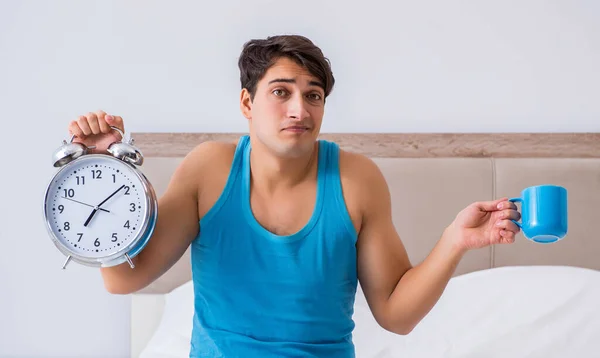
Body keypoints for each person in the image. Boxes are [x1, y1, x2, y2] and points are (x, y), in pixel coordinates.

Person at [67, 34, 521, 357]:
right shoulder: (210, 169)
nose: (299, 110)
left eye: (314, 95)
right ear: (247, 103)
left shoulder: (356, 179)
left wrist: (455, 241)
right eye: (281, 92)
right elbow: (122, 279)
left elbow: (396, 315)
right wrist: (106, 171)